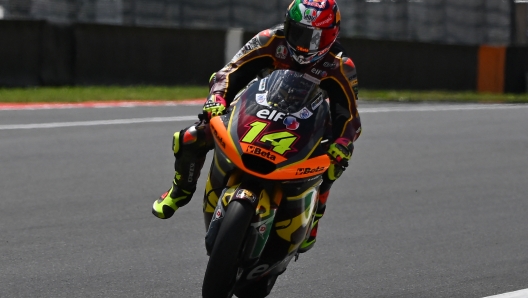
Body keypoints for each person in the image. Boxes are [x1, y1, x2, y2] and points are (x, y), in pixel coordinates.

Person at [152, 0, 361, 253]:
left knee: (332, 164)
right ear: (287, 25)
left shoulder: (340, 65)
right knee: (190, 137)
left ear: (333, 34)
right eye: (299, 33)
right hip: (258, 110)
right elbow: (229, 72)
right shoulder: (269, 40)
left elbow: (348, 115)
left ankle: (315, 217)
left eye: (316, 38)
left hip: (307, 125)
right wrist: (217, 98)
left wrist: (342, 143)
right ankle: (180, 190)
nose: (306, 45)